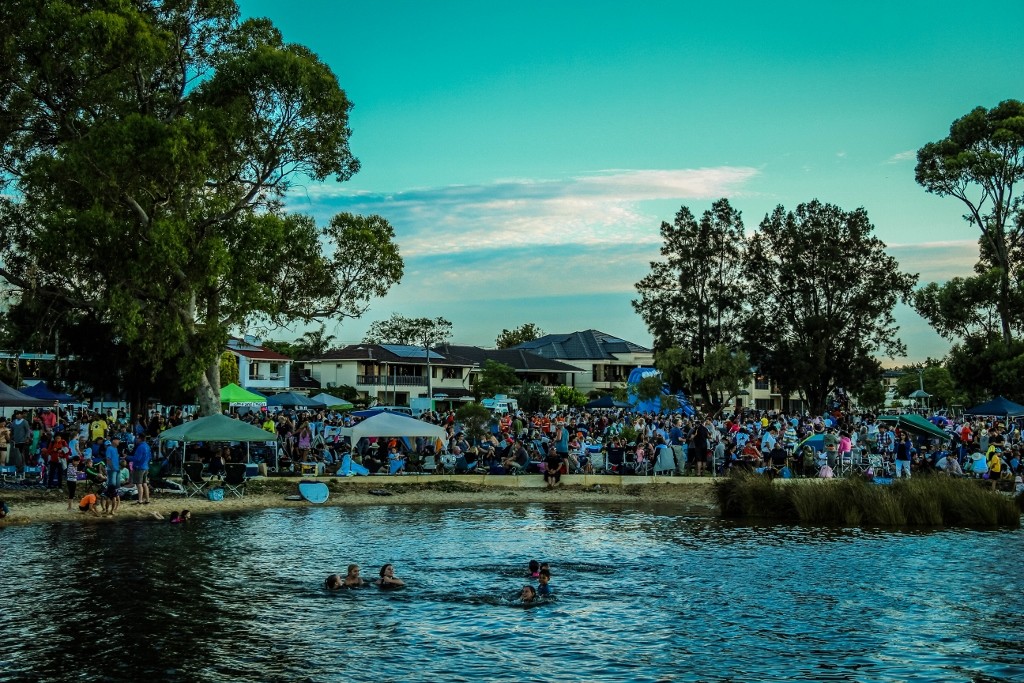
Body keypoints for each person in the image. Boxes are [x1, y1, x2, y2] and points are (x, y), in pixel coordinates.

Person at [129, 437, 153, 504]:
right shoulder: (147, 446)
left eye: (137, 438)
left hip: (139, 467)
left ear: (140, 439)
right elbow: (150, 457)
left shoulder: (140, 447)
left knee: (139, 484)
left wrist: (127, 457)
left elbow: (137, 458)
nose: (136, 439)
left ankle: (140, 500)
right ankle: (147, 499)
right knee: (144, 484)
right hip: (146, 467)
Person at [103, 437, 122, 515]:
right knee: (111, 491)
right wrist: (112, 468)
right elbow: (108, 459)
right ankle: (108, 510)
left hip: (117, 470)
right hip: (112, 471)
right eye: (118, 440)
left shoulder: (116, 449)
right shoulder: (109, 448)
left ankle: (112, 510)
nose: (119, 442)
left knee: (115, 490)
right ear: (114, 441)